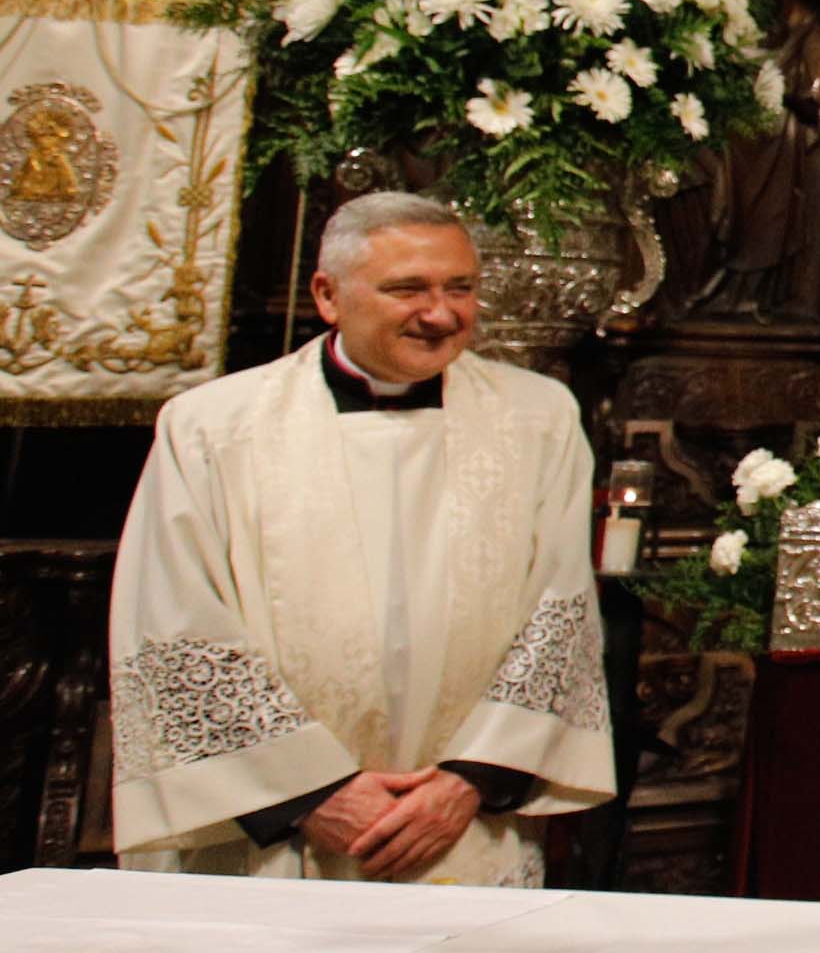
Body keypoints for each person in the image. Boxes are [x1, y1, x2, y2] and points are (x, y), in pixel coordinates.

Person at [106, 192, 617, 884]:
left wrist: (466, 782)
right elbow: (173, 626)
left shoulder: (539, 418)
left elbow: (560, 617)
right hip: (275, 840)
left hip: (456, 829)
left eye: (459, 287)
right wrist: (312, 791)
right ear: (327, 294)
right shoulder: (212, 428)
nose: (441, 313)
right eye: (408, 288)